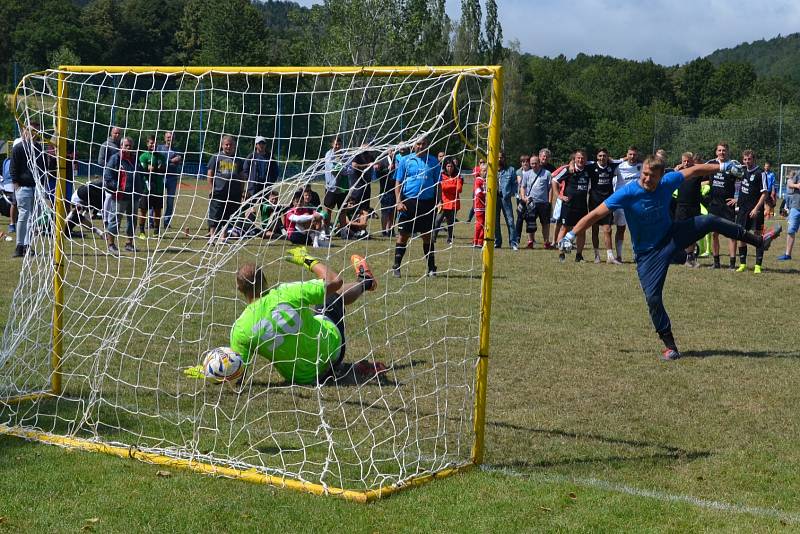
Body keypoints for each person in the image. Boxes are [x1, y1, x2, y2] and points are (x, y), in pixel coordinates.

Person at [559, 155, 782, 361]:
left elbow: (694, 170)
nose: (647, 179)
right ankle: (671, 346)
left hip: (672, 236)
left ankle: (759, 242)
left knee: (709, 221)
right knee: (653, 299)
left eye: (652, 176)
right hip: (648, 255)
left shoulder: (667, 182)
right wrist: (570, 234)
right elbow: (596, 214)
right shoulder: (627, 193)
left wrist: (723, 166)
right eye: (644, 174)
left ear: (661, 175)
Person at [185, 248, 385, 385]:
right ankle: (366, 281)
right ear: (265, 280)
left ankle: (343, 368)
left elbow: (238, 372)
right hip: (333, 350)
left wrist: (211, 371)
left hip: (304, 378)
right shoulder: (286, 292)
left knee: (319, 309)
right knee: (331, 297)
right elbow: (335, 281)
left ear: (239, 289)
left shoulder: (241, 328)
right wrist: (307, 259)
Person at [392, 136, 441, 277]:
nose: (421, 146)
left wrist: (439, 201)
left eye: (424, 143)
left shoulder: (434, 162)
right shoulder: (406, 160)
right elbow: (398, 182)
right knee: (403, 236)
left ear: (428, 144)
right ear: (413, 145)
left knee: (427, 236)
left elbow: (438, 184)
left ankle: (431, 268)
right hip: (408, 203)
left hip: (427, 203)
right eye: (418, 144)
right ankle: (396, 266)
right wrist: (398, 201)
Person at [10, 123, 48, 258]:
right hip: (23, 187)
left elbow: (44, 168)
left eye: (35, 131)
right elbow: (13, 167)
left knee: (32, 219)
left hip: (36, 188)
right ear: (24, 131)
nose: (33, 133)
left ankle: (27, 245)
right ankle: (19, 246)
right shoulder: (18, 148)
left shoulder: (39, 148)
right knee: (23, 216)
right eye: (30, 130)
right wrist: (16, 185)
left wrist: (42, 186)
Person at [103, 137, 142, 255]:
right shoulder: (115, 159)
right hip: (120, 196)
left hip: (134, 195)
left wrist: (141, 188)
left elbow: (140, 173)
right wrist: (118, 188)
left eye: (130, 146)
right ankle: (111, 244)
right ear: (121, 146)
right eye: (126, 146)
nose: (128, 148)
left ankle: (129, 244)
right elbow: (108, 176)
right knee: (115, 220)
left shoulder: (135, 159)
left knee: (132, 220)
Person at [553, 149, 591, 262]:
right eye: (578, 158)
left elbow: (602, 161)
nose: (580, 160)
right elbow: (554, 180)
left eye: (583, 158)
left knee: (582, 230)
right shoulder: (568, 170)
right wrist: (558, 195)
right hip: (569, 206)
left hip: (582, 206)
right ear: (574, 159)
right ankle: (561, 254)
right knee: (565, 228)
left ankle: (579, 255)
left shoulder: (588, 169)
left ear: (586, 160)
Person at [734, 150, 769, 274]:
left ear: (754, 159)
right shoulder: (742, 171)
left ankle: (758, 266)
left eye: (749, 159)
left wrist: (756, 208)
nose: (747, 161)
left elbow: (764, 193)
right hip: (743, 210)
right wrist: (736, 200)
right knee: (741, 235)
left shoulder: (761, 173)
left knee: (758, 235)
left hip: (755, 211)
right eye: (745, 159)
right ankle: (742, 264)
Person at [206, 135, 245, 243]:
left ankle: (223, 237)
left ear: (234, 146)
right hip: (219, 191)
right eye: (226, 144)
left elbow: (242, 176)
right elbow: (210, 173)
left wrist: (242, 190)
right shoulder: (216, 157)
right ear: (222, 145)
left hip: (233, 193)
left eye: (231, 145)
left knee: (227, 216)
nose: (228, 146)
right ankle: (212, 237)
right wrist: (211, 188)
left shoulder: (238, 160)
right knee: (215, 214)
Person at [706, 142, 738, 269]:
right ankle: (716, 263)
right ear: (716, 152)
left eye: (724, 150)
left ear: (727, 152)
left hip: (727, 205)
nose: (721, 152)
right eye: (719, 150)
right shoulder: (710, 164)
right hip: (714, 204)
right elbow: (697, 171)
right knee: (714, 234)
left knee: (732, 234)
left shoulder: (733, 165)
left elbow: (746, 180)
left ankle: (732, 264)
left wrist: (738, 199)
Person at [586, 148, 619, 264]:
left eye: (604, 156)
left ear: (607, 156)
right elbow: (576, 161)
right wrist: (570, 164)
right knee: (595, 229)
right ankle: (597, 255)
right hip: (594, 203)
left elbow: (625, 159)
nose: (602, 158)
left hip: (607, 203)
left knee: (608, 229)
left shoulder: (612, 166)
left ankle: (610, 256)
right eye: (600, 156)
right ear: (596, 157)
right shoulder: (591, 166)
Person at [672, 152, 703, 267]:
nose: (686, 163)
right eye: (684, 161)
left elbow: (705, 170)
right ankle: (678, 256)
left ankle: (690, 257)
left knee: (693, 232)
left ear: (692, 161)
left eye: (688, 161)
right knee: (679, 232)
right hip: (681, 206)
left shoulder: (697, 172)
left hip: (694, 206)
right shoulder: (678, 174)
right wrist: (675, 171)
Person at [611, 146, 642, 262]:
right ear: (626, 155)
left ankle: (636, 255)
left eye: (634, 154)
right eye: (630, 154)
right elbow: (607, 162)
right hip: (622, 202)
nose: (632, 157)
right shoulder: (619, 166)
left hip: (637, 202)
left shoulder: (642, 166)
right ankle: (619, 256)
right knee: (620, 229)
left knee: (636, 230)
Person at [518, 154, 553, 249]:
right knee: (530, 222)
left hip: (543, 203)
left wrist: (549, 202)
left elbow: (550, 188)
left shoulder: (547, 173)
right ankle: (530, 242)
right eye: (532, 163)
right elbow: (523, 187)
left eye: (536, 163)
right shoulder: (526, 174)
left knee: (545, 223)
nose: (534, 165)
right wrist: (523, 197)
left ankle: (546, 242)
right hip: (530, 203)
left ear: (539, 163)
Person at [137, 135, 167, 239]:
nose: (153, 145)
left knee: (158, 210)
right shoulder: (143, 156)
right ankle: (141, 231)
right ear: (147, 144)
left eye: (155, 143)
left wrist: (157, 169)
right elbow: (142, 171)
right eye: (151, 143)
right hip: (146, 188)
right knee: (143, 210)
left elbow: (164, 170)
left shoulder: (161, 157)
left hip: (158, 188)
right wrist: (147, 169)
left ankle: (156, 231)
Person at [156, 131, 183, 230]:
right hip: (160, 176)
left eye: (171, 137)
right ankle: (152, 221)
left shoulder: (177, 150)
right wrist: (171, 160)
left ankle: (167, 222)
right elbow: (159, 162)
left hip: (172, 177)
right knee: (156, 199)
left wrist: (167, 162)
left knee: (170, 201)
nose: (169, 139)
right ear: (164, 138)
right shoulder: (159, 148)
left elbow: (179, 160)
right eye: (168, 137)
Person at [433, 158, 463, 245]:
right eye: (448, 166)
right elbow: (443, 187)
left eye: (451, 166)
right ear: (445, 167)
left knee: (450, 222)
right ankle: (434, 237)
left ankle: (450, 238)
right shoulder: (441, 176)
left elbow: (459, 189)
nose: (450, 168)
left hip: (453, 203)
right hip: (442, 202)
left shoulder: (458, 176)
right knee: (438, 220)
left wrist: (449, 185)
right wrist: (452, 185)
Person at [323, 137, 348, 233]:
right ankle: (326, 231)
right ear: (332, 144)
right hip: (331, 187)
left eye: (339, 144)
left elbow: (349, 169)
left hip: (343, 187)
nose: (337, 146)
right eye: (336, 144)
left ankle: (343, 232)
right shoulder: (329, 155)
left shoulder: (345, 155)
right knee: (329, 209)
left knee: (343, 210)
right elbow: (333, 170)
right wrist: (341, 167)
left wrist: (342, 168)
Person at [495, 152, 518, 250]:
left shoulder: (511, 170)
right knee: (495, 221)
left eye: (502, 157)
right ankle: (497, 242)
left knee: (510, 221)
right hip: (494, 199)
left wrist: (511, 193)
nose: (500, 159)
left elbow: (515, 184)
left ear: (505, 158)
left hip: (505, 199)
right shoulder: (492, 170)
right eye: (498, 157)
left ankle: (513, 243)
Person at [778, 170, 800, 261]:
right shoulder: (798, 173)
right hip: (796, 206)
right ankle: (788, 254)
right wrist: (797, 185)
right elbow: (789, 183)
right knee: (791, 230)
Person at [377, 149, 396, 237]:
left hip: (395, 189)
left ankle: (391, 229)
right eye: (392, 151)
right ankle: (384, 231)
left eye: (395, 150)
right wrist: (386, 170)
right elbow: (377, 175)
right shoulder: (382, 161)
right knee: (385, 211)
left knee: (393, 211)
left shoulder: (398, 160)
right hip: (385, 190)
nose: (393, 152)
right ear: (388, 152)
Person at [1, 154, 17, 234]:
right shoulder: (12, 161)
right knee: (15, 203)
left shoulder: (7, 161)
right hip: (13, 184)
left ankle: (12, 224)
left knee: (15, 203)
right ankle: (12, 224)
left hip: (8, 184)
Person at [473, 165, 487, 247]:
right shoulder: (478, 181)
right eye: (483, 170)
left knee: (485, 225)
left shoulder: (487, 181)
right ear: (480, 171)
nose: (485, 172)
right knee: (480, 223)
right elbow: (478, 193)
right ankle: (475, 240)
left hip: (486, 206)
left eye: (486, 171)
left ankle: (480, 242)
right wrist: (486, 193)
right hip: (479, 205)